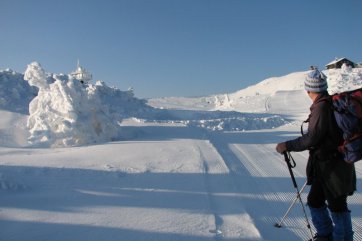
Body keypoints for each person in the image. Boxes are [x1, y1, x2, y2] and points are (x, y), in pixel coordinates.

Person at [276, 69, 356, 241]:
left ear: (309, 90)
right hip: (325, 166)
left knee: (338, 207)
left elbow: (313, 137)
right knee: (315, 201)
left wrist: (287, 146)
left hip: (334, 167)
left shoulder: (322, 107)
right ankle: (325, 235)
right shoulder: (327, 103)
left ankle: (343, 238)